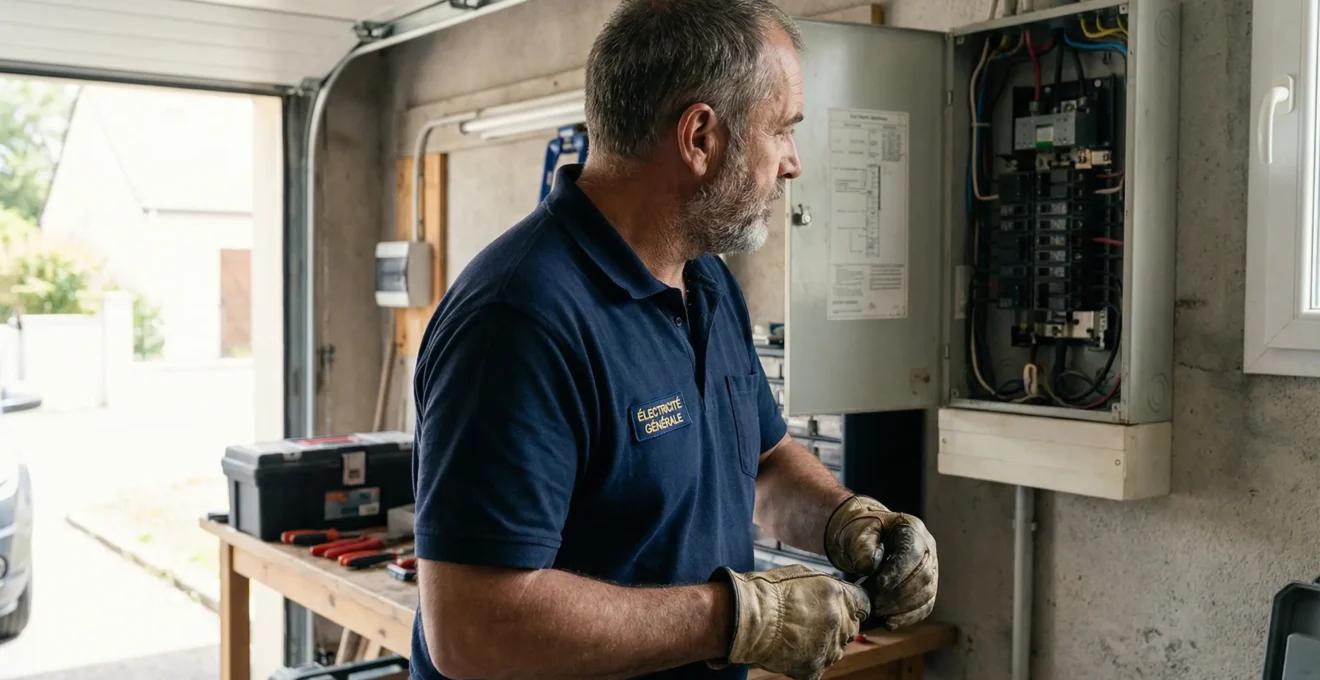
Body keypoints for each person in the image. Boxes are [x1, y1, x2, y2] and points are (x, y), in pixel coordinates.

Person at [409, 1, 938, 679]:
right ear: (699, 138)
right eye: (780, 131)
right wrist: (737, 619)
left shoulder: (706, 282)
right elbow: (472, 628)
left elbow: (764, 462)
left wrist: (847, 521)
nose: (793, 164)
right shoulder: (519, 320)